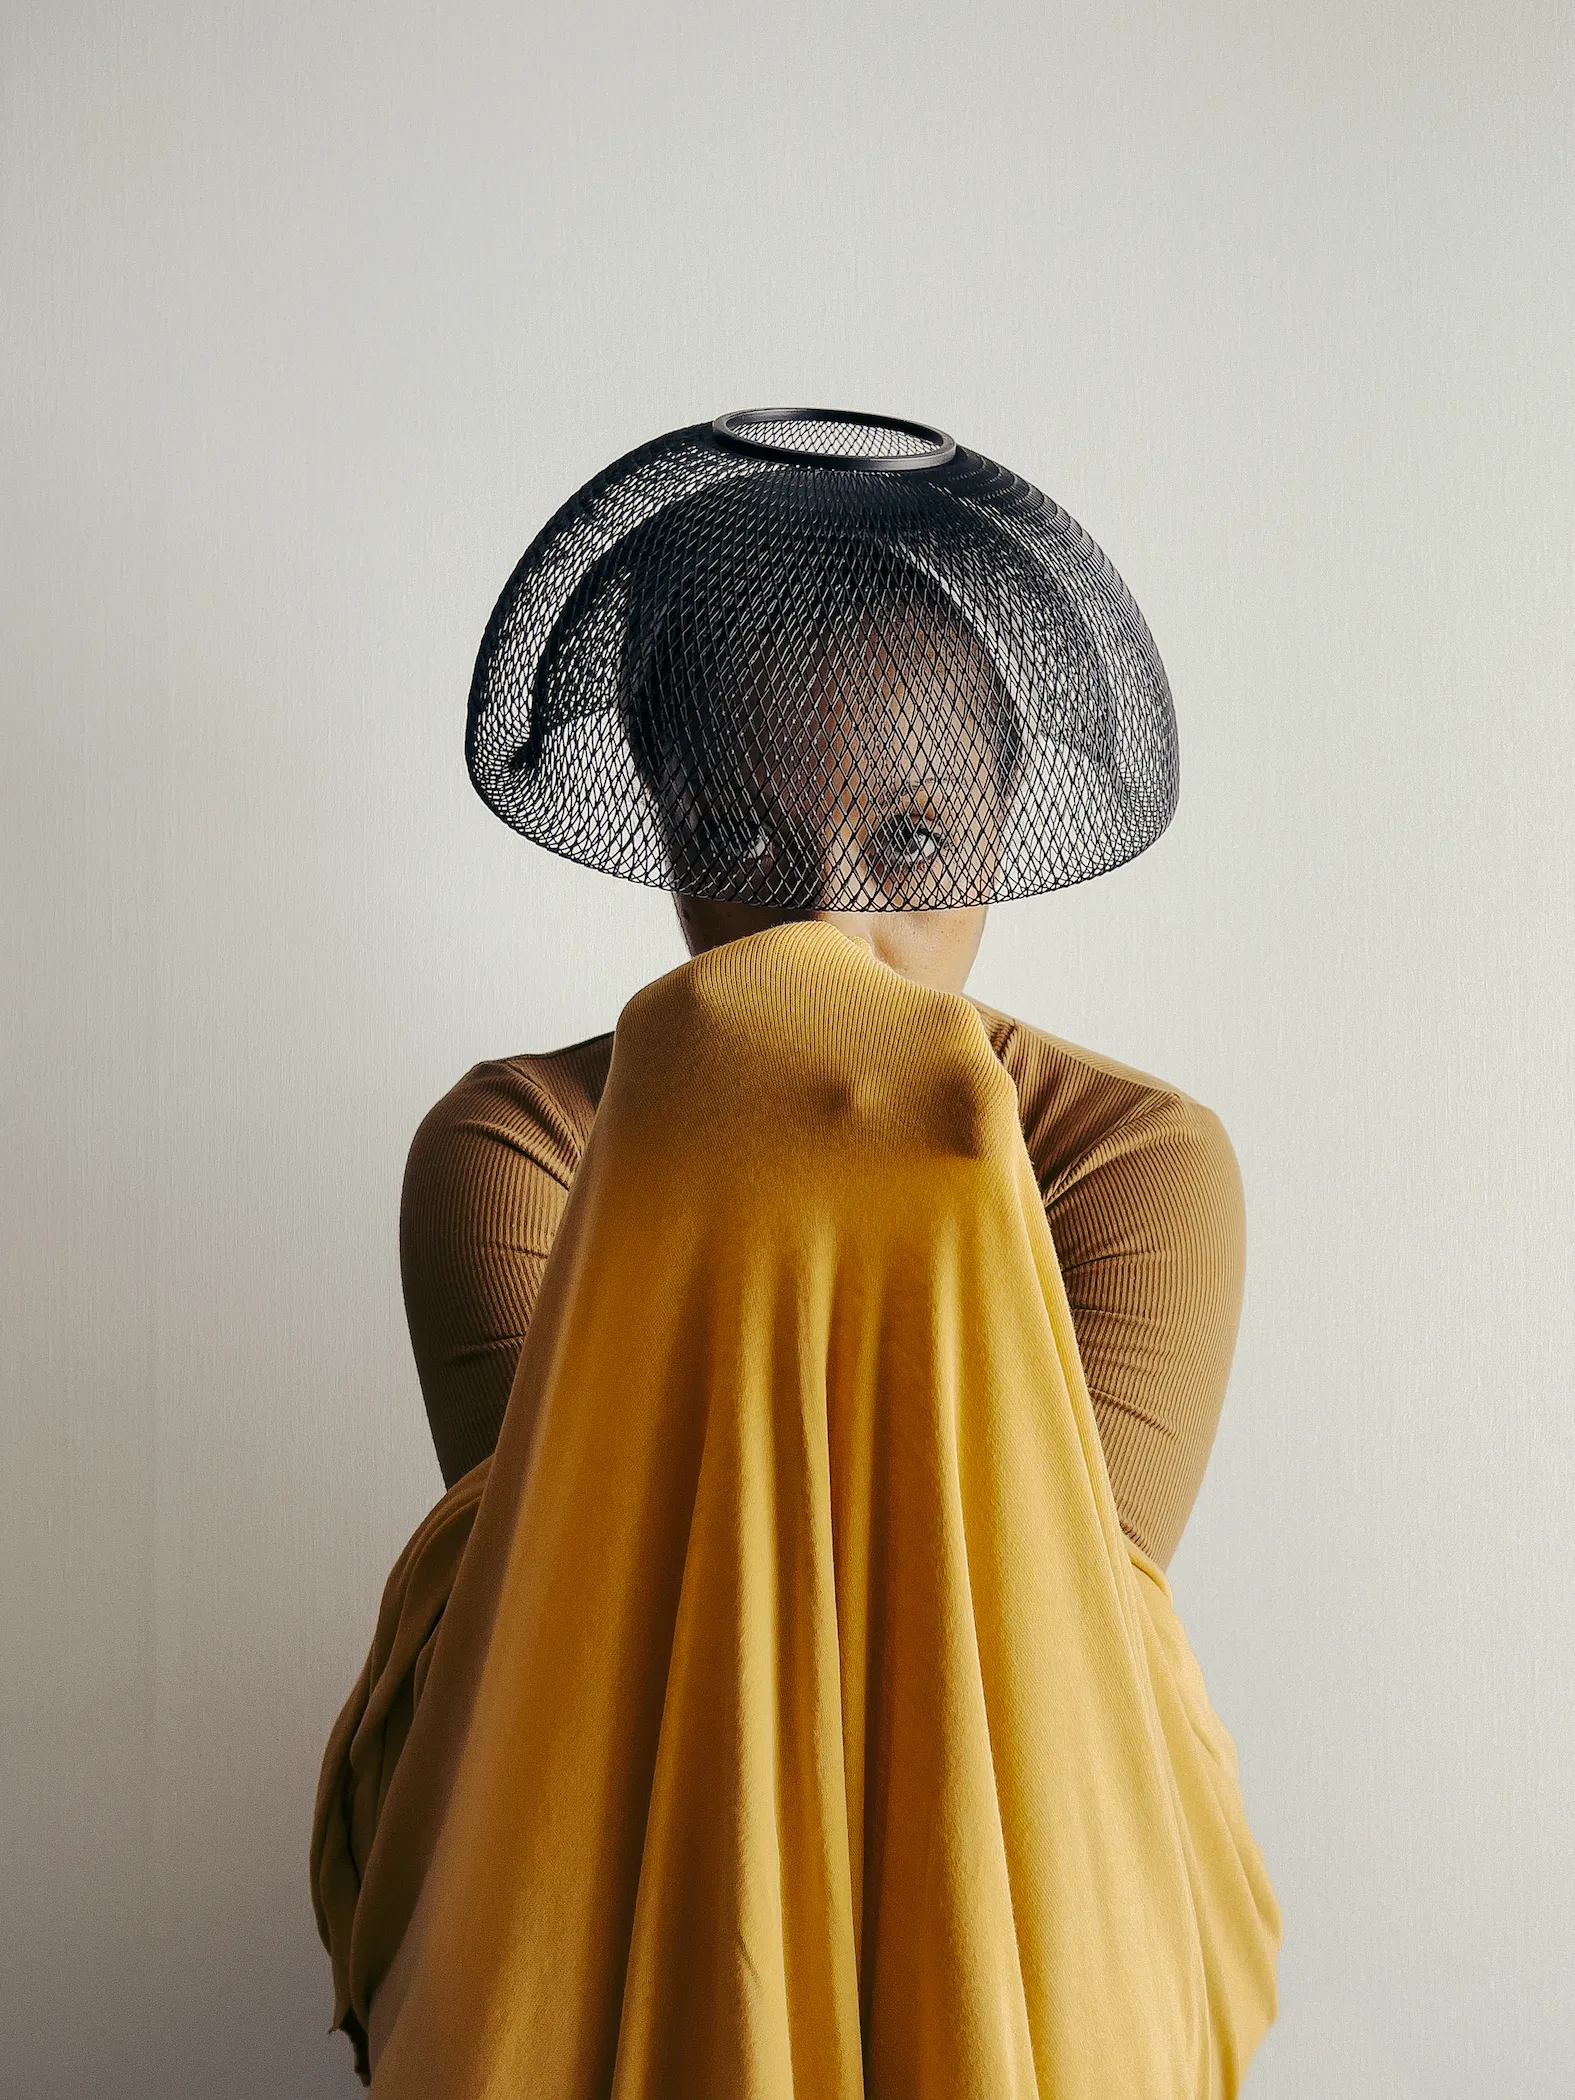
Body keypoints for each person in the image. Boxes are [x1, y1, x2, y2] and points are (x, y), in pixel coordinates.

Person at [311, 410, 1281, 2095]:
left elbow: (1036, 1639)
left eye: (907, 843)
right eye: (743, 846)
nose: (825, 920)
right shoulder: (514, 1147)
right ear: (669, 833)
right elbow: (576, 1610)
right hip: (610, 1866)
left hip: (1019, 1895)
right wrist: (737, 1076)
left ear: (998, 820)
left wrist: (908, 1110)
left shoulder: (1130, 1160)